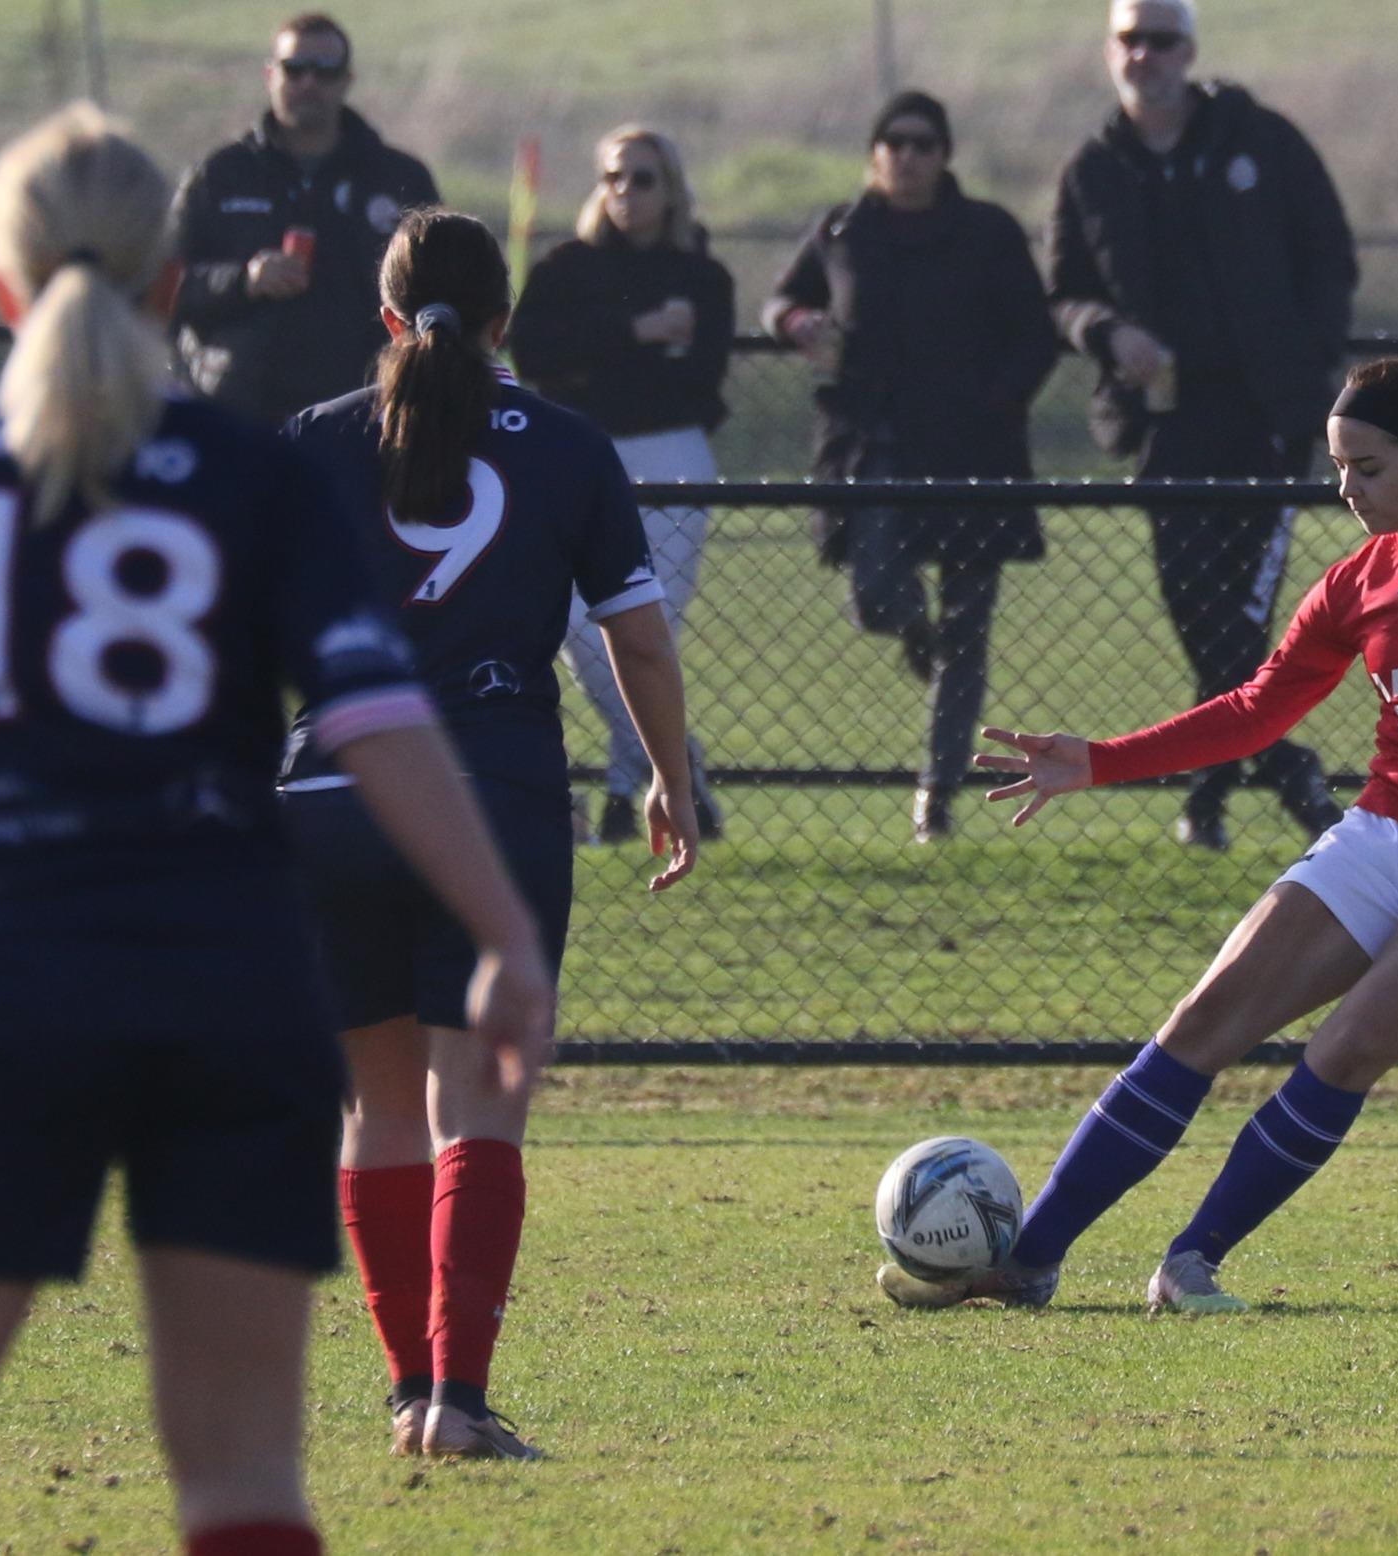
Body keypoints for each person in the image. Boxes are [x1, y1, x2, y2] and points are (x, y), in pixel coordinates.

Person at [0, 107, 551, 1556]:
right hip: (227, 985)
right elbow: (375, 716)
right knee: (240, 1484)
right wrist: (500, 930)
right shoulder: (253, 477)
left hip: (9, 984)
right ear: (175, 282)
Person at [878, 351, 1398, 1315]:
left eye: (1366, 468)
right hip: (1386, 831)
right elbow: (1254, 710)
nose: (1345, 489)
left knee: (1347, 1044)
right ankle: (1025, 1262)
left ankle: (1191, 1262)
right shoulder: (1360, 580)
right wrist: (1101, 759)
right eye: (1336, 467)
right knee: (1201, 1025)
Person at [280, 207, 700, 1460]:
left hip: (329, 797)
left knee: (377, 1106)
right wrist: (667, 774)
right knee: (480, 1101)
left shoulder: (310, 442)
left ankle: (409, 1387)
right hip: (491, 793)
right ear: (505, 320)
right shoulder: (568, 447)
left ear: (386, 317)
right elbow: (635, 634)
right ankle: (459, 1401)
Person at [1047, 0, 1359, 851]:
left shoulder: (1262, 141)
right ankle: (1282, 769)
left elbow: (1328, 254)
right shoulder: (1093, 168)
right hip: (1164, 425)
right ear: (1110, 50)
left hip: (1265, 419)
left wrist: (1309, 359)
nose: (1143, 55)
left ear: (1189, 50)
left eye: (1160, 40)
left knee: (1240, 619)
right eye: (1128, 40)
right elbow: (1064, 293)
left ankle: (1212, 796)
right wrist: (1108, 334)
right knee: (1200, 610)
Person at [763, 91, 1059, 842]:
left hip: (972, 451)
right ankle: (915, 640)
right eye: (894, 141)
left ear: (945, 153)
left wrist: (999, 400)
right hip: (874, 444)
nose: (909, 154)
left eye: (924, 142)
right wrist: (797, 322)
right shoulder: (842, 228)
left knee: (969, 628)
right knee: (875, 596)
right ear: (874, 152)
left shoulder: (987, 232)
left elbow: (1037, 332)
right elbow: (782, 300)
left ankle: (938, 794)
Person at [509, 125, 733, 845]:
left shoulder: (701, 276)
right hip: (582, 453)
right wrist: (636, 332)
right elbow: (538, 352)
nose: (625, 193)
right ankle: (684, 773)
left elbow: (698, 376)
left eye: (643, 179)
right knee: (580, 626)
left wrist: (597, 353)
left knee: (647, 627)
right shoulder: (567, 268)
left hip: (671, 455)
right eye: (613, 178)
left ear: (670, 189)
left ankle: (628, 785)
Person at [171, 12, 439, 424]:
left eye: (324, 71)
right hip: (239, 411)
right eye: (294, 69)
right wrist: (246, 280)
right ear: (270, 74)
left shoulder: (397, 178)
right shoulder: (221, 176)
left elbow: (440, 289)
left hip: (363, 413)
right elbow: (164, 287)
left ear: (347, 80)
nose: (308, 83)